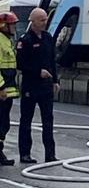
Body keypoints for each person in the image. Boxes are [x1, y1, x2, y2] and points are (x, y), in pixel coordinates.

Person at [17, 8, 60, 164]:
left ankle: (50, 153)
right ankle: (25, 153)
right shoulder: (25, 40)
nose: (44, 22)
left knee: (48, 120)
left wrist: (55, 80)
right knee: (26, 120)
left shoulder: (48, 38)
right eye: (41, 20)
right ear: (33, 21)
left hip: (46, 87)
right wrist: (37, 72)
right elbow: (21, 64)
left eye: (45, 19)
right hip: (31, 85)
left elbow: (52, 61)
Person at [0, 12, 20, 166]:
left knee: (4, 123)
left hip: (7, 91)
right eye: (12, 24)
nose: (14, 27)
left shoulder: (7, 40)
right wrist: (0, 87)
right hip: (2, 91)